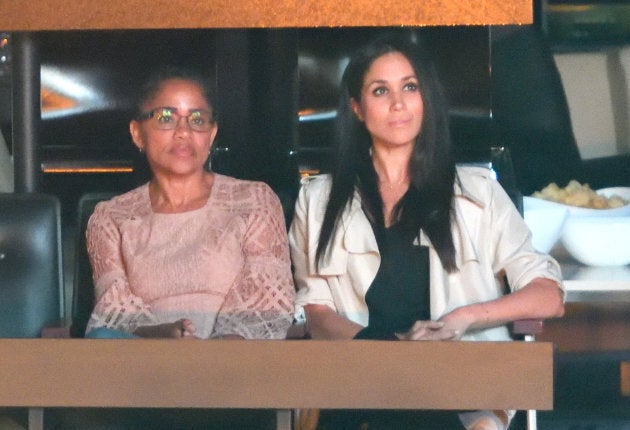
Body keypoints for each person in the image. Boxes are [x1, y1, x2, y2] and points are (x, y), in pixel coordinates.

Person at [288, 32, 565, 430]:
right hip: (358, 379)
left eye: (410, 87)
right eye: (380, 90)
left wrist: (462, 319)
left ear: (425, 100)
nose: (398, 103)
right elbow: (315, 312)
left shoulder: (478, 193)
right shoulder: (318, 200)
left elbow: (548, 296)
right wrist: (384, 355)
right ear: (357, 108)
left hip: (456, 386)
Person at [85, 65, 295, 340]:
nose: (183, 131)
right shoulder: (111, 217)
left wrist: (204, 357)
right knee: (102, 339)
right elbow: (115, 315)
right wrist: (167, 336)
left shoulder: (254, 200)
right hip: (146, 362)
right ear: (137, 133)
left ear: (212, 133)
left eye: (197, 119)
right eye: (166, 118)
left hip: (235, 364)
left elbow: (266, 308)